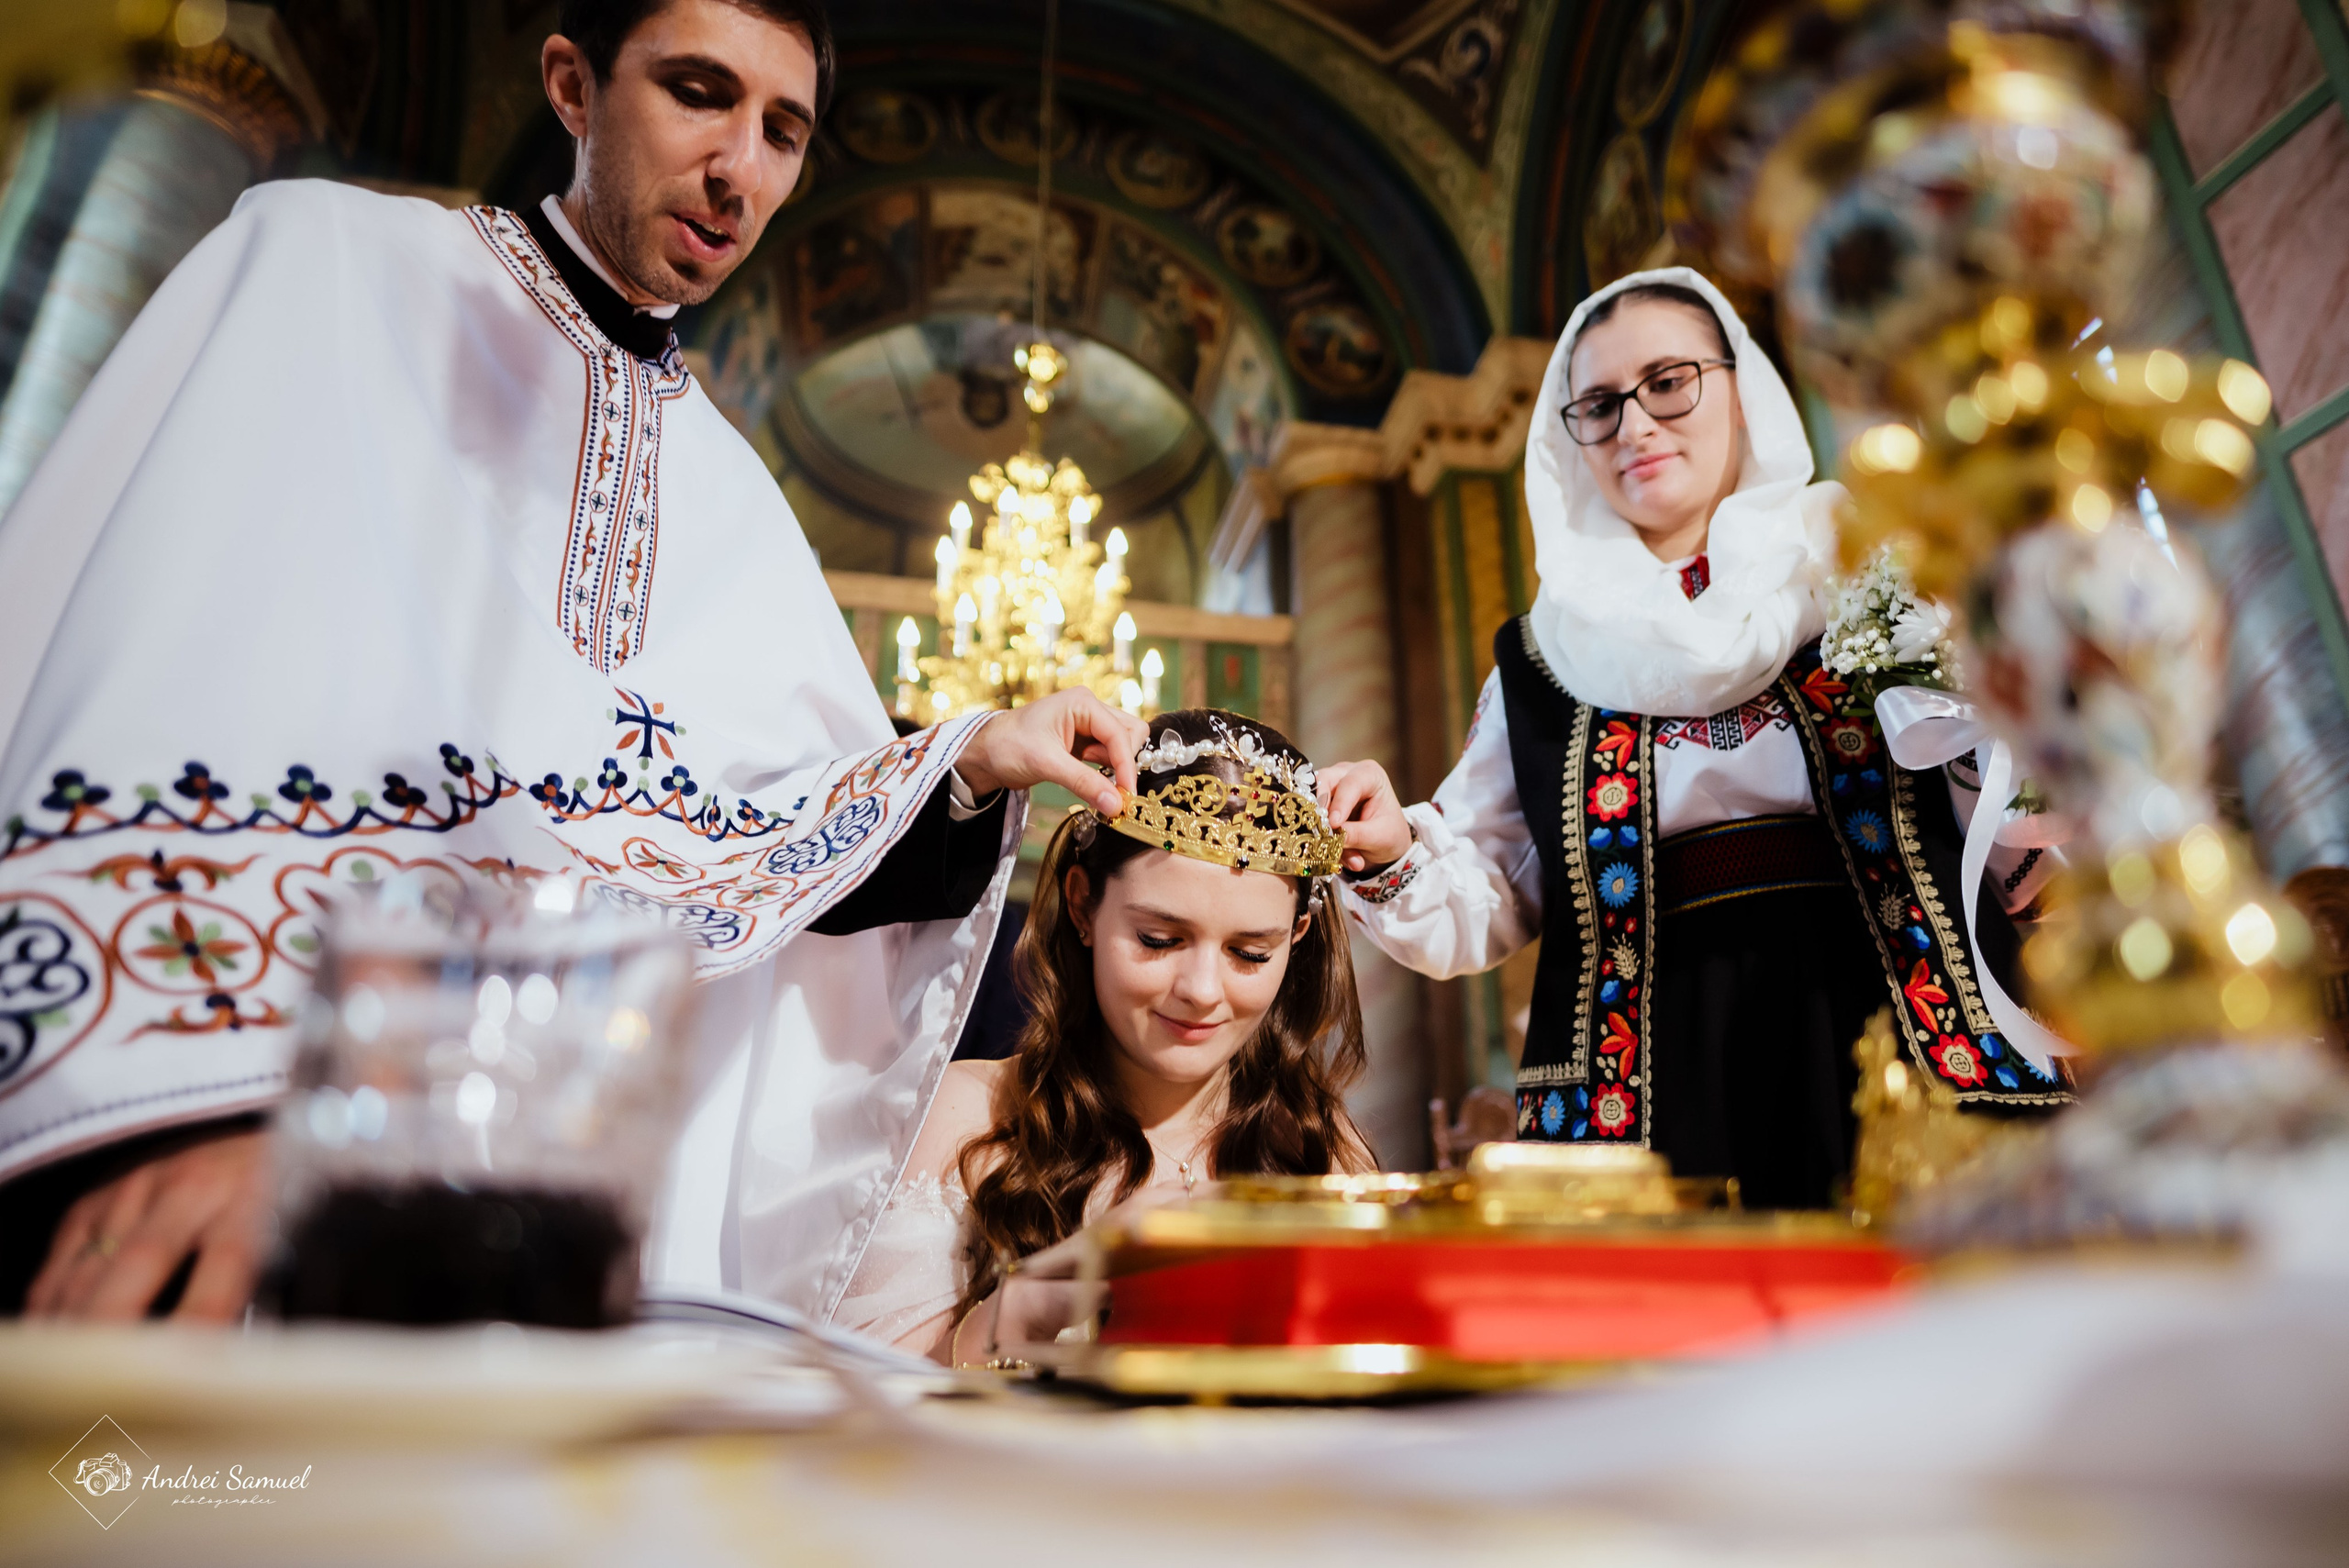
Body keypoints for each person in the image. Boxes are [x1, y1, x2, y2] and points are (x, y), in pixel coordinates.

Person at [0, 0, 1146, 1321]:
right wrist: (200, 1104)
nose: (741, 168)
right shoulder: (335, 267)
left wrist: (969, 759)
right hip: (225, 1131)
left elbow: (756, 850)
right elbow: (152, 690)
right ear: (571, 85)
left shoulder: (724, 483)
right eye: (698, 92)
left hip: (529, 1192)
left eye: (784, 130)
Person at [1316, 269, 2066, 1211]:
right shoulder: (1542, 658)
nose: (1634, 425)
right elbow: (1488, 891)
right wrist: (1390, 850)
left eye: (1668, 381)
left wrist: (2027, 769)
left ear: (1740, 390)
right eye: (1597, 404)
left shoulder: (1875, 570)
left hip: (1900, 1029)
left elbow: (2004, 803)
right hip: (1647, 1084)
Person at [832, 710, 1371, 1362]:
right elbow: (867, 1400)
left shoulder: (1319, 1145)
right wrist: (1058, 1284)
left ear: (1296, 939)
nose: (1202, 988)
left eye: (1250, 953)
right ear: (1083, 905)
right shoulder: (965, 1114)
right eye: (1159, 939)